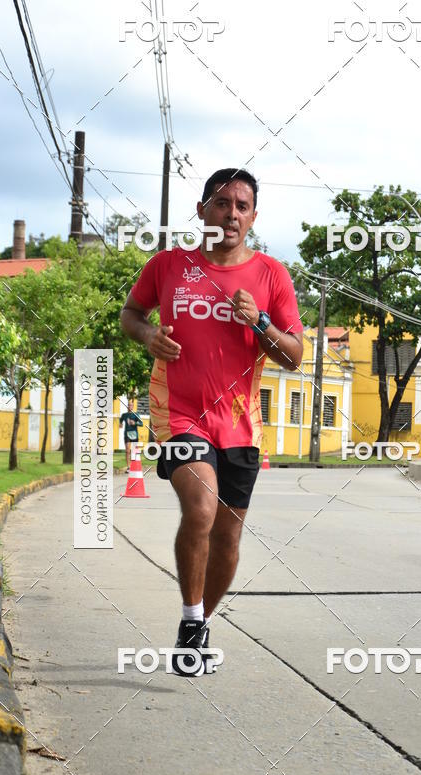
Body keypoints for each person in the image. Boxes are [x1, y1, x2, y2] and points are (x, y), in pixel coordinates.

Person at [120, 168, 303, 675]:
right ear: (201, 210)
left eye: (242, 206)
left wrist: (261, 322)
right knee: (200, 508)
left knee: (227, 540)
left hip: (241, 424)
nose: (232, 214)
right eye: (222, 203)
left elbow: (294, 356)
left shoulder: (271, 276)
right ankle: (189, 616)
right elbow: (131, 315)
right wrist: (148, 334)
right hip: (178, 413)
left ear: (253, 218)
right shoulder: (168, 265)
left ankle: (198, 626)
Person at [119, 400, 144, 472]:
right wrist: (120, 424)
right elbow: (120, 421)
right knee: (127, 450)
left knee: (135, 451)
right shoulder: (124, 415)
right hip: (127, 434)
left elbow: (141, 424)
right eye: (128, 405)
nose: (129, 406)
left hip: (134, 434)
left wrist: (135, 423)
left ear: (133, 407)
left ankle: (135, 466)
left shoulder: (136, 414)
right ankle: (128, 467)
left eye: (131, 405)